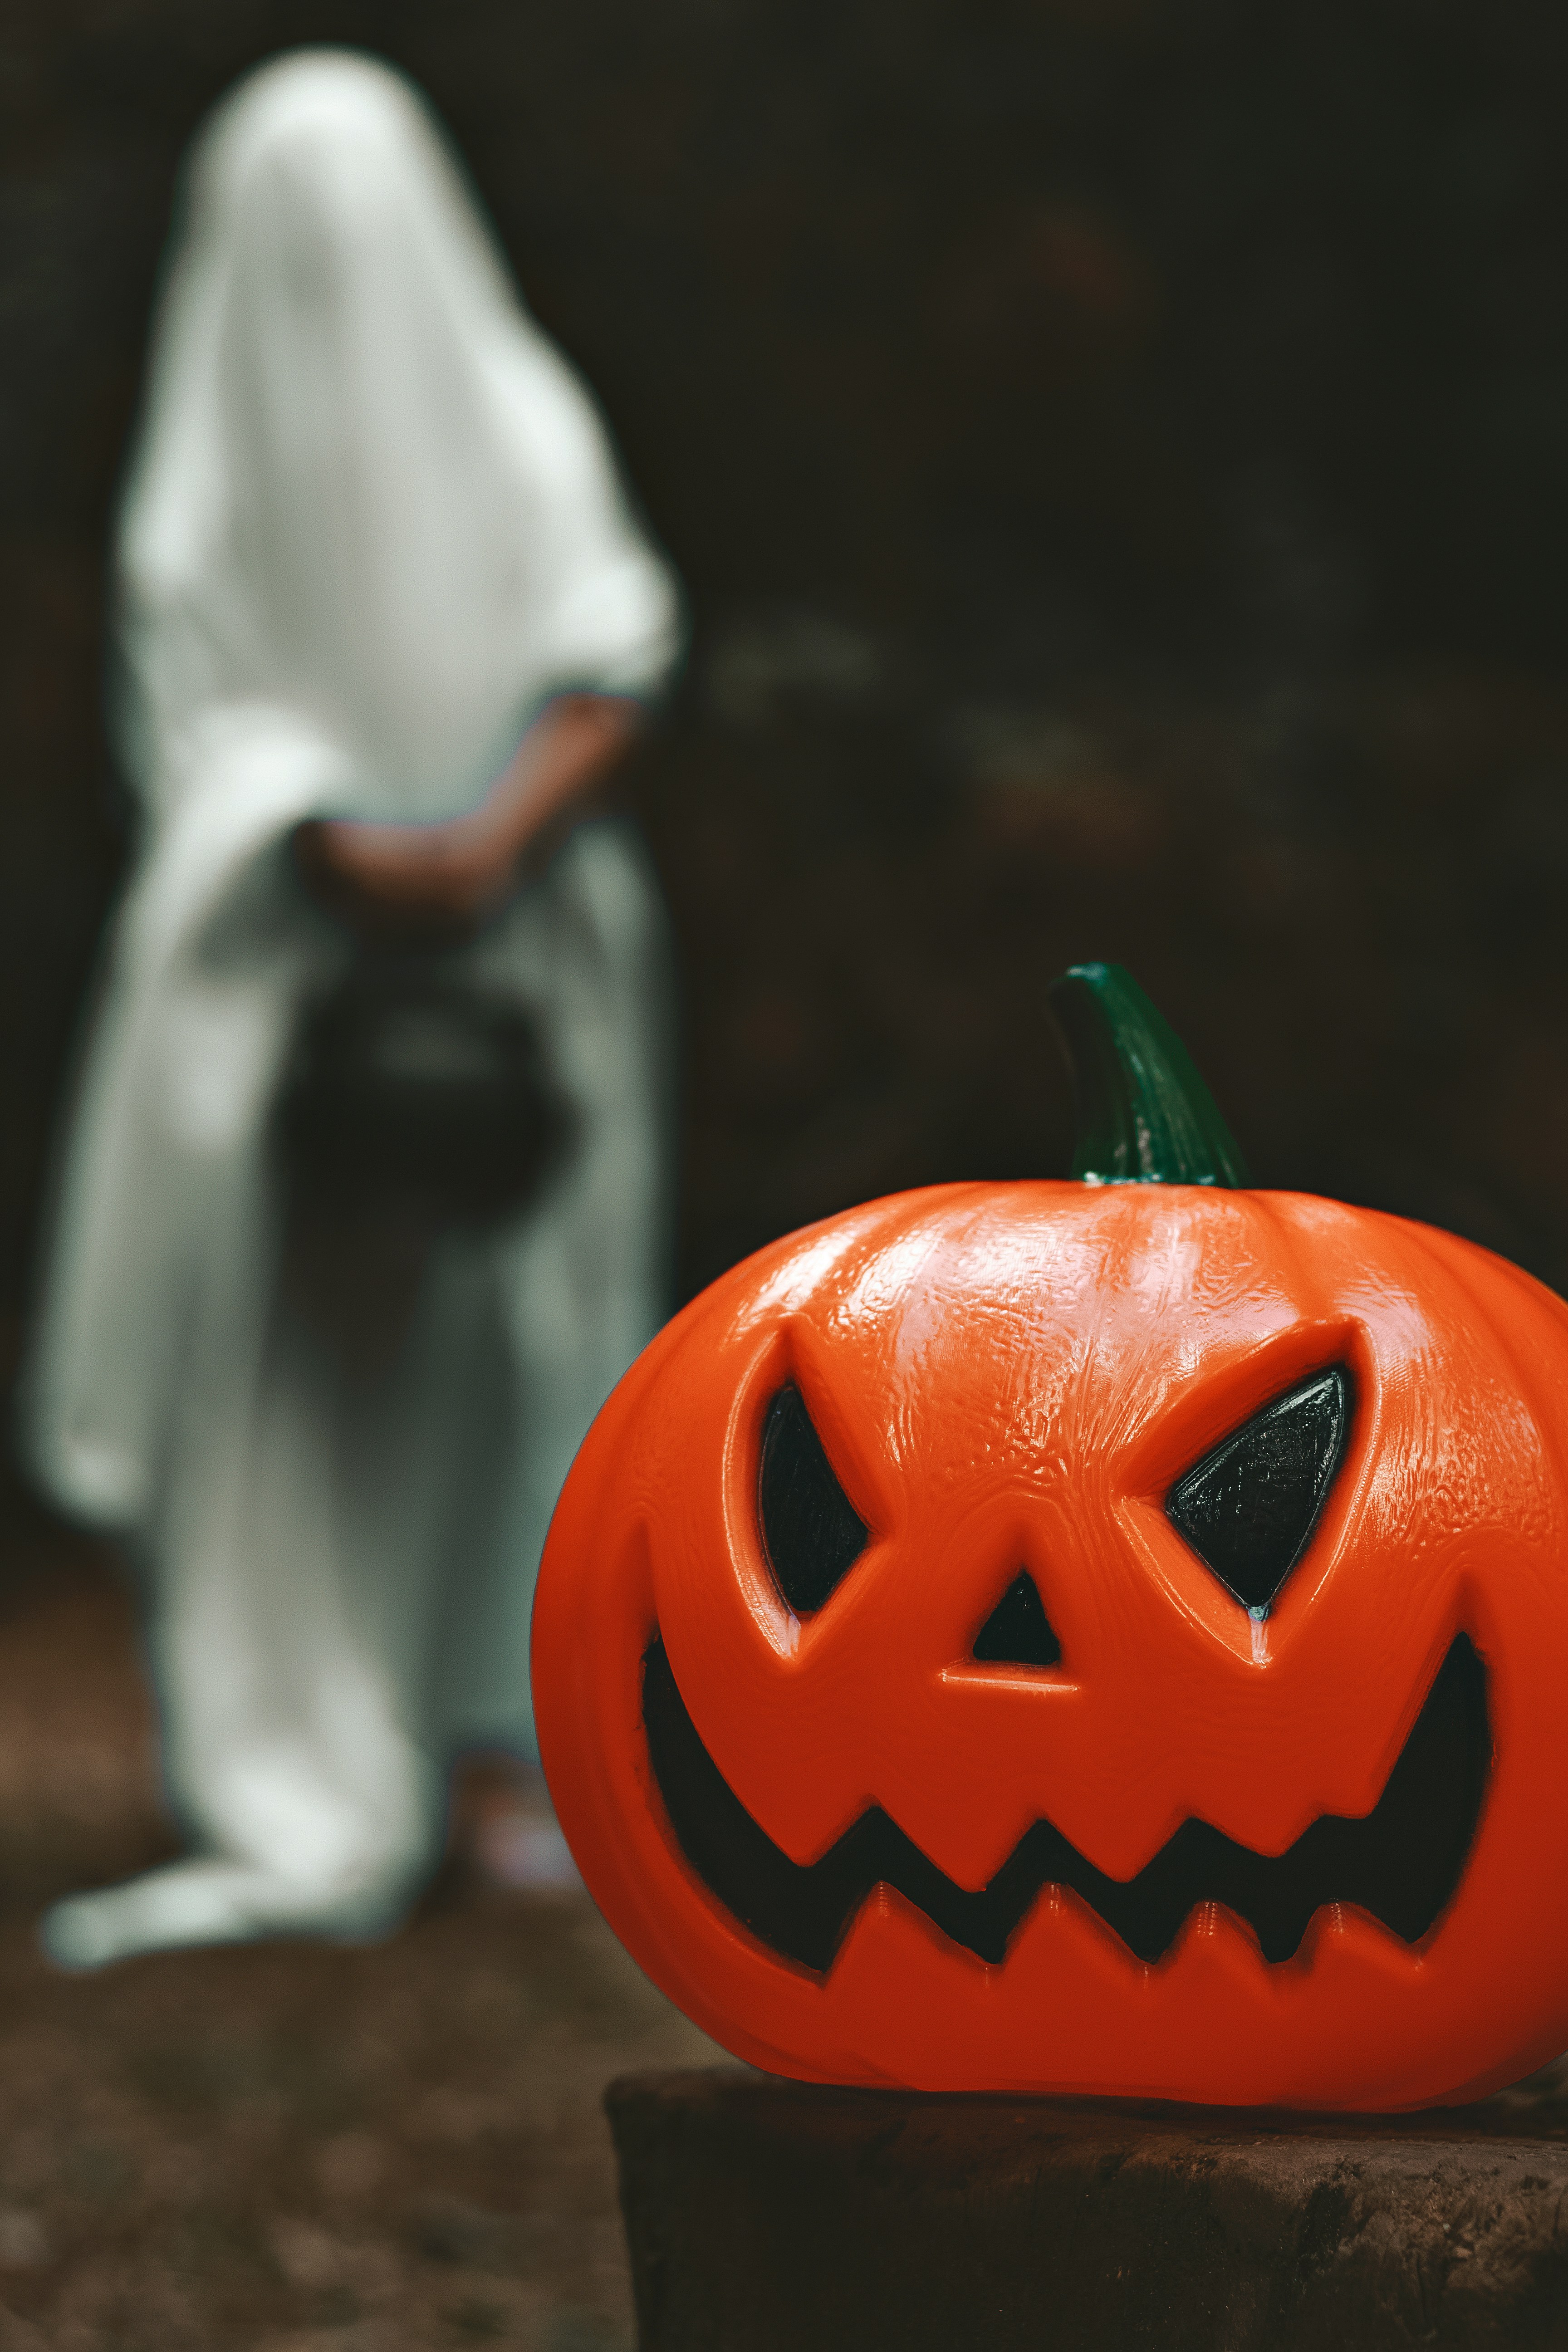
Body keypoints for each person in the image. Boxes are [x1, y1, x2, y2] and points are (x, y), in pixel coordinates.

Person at [21, 48, 683, 1966]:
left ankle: (499, 1753)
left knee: (524, 1349)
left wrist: (479, 852)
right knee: (308, 1378)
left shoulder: (518, 418)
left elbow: (611, 655)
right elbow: (203, 714)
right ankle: (316, 1741)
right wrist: (333, 848)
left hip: (521, 971)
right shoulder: (215, 476)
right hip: (304, 986)